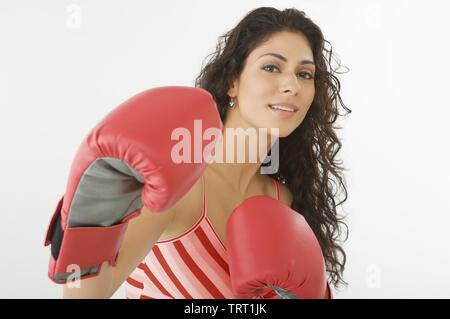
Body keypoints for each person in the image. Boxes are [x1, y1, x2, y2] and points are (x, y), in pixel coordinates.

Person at [60, 6, 351, 299]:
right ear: (232, 82)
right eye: (272, 67)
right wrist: (90, 223)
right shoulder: (179, 187)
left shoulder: (282, 201)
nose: (292, 85)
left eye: (304, 73)